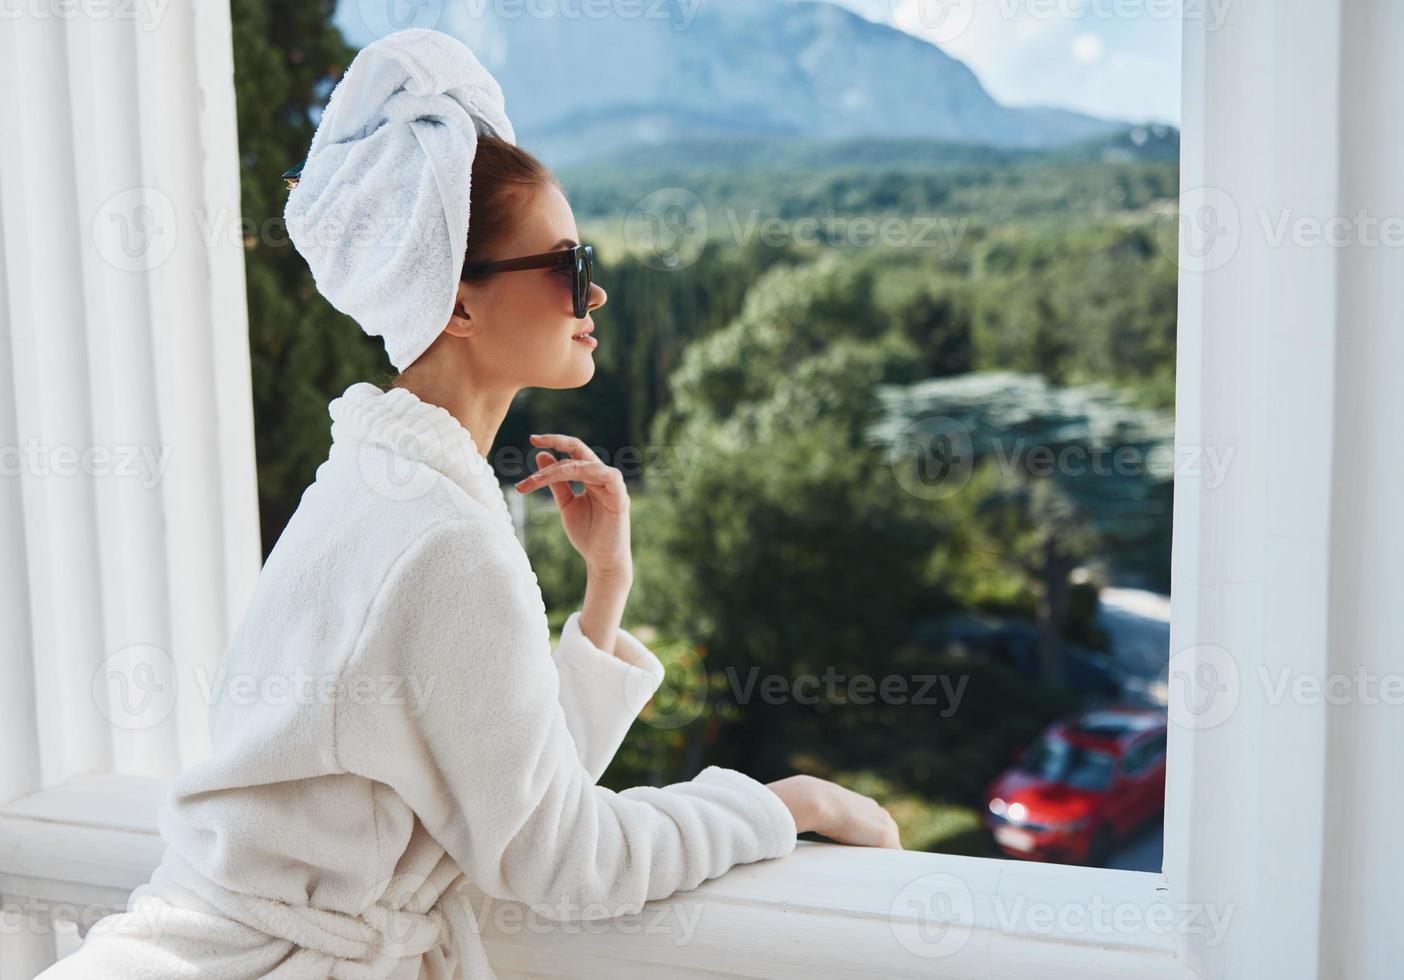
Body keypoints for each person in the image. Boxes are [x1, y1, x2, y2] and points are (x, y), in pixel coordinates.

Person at [38, 27, 897, 980]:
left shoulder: (373, 483)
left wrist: (605, 587)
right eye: (568, 266)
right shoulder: (441, 536)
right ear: (457, 301)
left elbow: (507, 789)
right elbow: (562, 858)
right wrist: (787, 804)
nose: (596, 293)